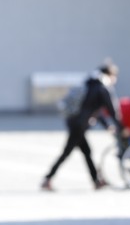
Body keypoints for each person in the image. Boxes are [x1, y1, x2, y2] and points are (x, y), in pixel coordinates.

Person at [42, 63, 122, 191]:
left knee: (87, 152)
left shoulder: (90, 83)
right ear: (110, 75)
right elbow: (111, 111)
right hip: (79, 125)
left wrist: (107, 125)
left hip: (74, 122)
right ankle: (47, 179)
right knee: (67, 152)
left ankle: (96, 180)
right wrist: (120, 126)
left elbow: (95, 109)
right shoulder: (103, 88)